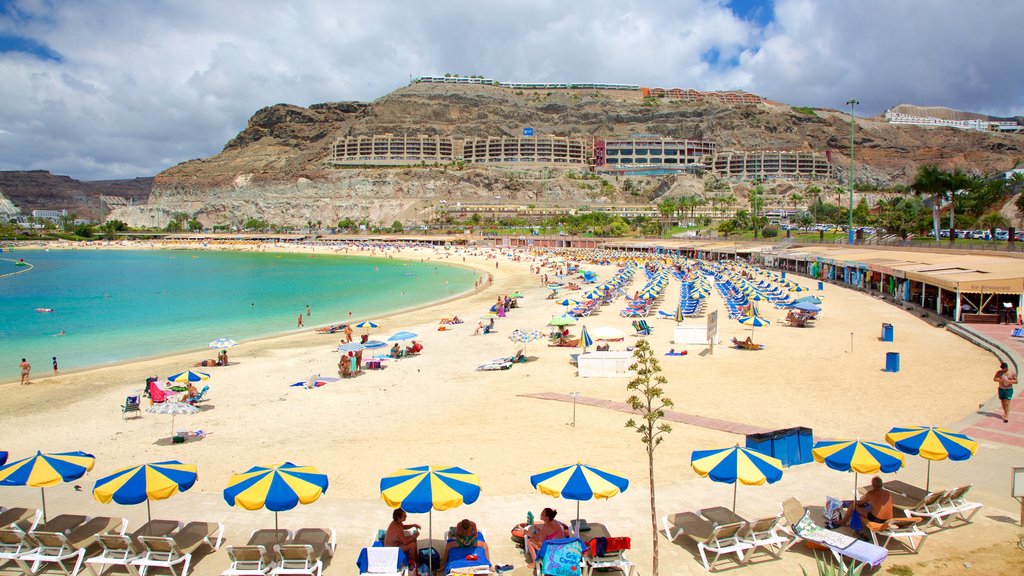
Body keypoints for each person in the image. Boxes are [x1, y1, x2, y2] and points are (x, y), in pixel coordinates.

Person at [384, 509, 420, 575]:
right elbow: (405, 542)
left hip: (395, 544)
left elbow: (403, 526)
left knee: (413, 540)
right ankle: (411, 565)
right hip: (392, 550)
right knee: (412, 545)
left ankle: (416, 559)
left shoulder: (396, 522)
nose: (406, 516)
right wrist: (414, 536)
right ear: (399, 518)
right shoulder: (397, 529)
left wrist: (413, 525)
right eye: (404, 516)